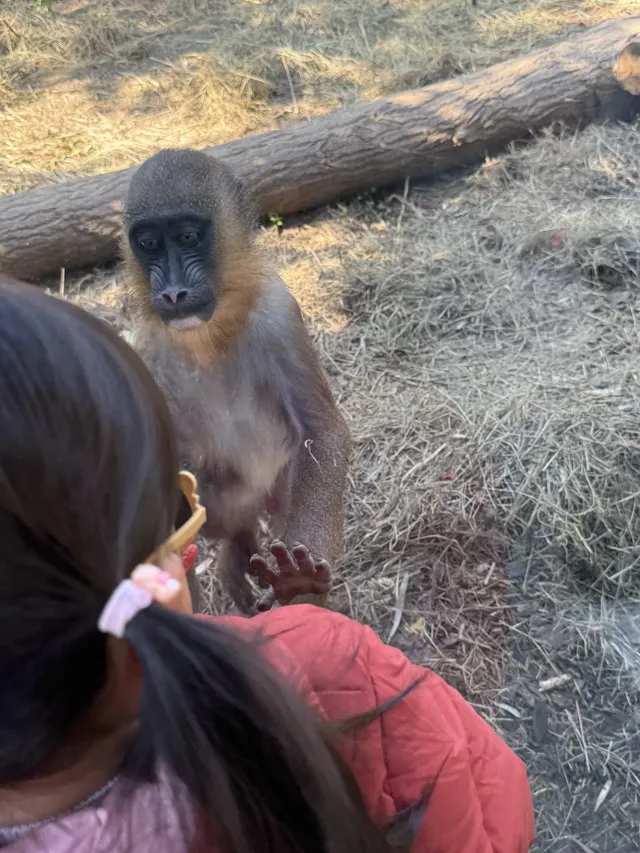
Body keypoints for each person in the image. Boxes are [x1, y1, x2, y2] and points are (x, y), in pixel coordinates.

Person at [0, 284, 535, 853]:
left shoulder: (269, 314)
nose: (174, 284)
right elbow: (487, 803)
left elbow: (322, 435)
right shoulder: (326, 666)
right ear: (148, 597)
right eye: (177, 514)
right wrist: (301, 626)